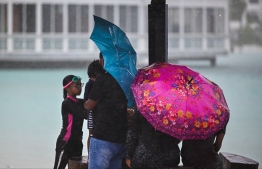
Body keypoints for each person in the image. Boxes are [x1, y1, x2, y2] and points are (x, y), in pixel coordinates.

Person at [84, 59, 128, 169]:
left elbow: (89, 105)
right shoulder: (124, 78)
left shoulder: (103, 79)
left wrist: (84, 104)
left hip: (103, 137)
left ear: (104, 60)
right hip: (121, 138)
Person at [53, 75, 88, 169]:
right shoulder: (67, 103)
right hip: (65, 142)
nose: (80, 88)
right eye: (77, 86)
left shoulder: (80, 102)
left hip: (78, 142)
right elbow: (84, 115)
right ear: (68, 88)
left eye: (81, 85)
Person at [83, 60, 101, 157]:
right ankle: (90, 155)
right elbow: (87, 100)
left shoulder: (91, 84)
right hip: (91, 113)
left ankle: (92, 155)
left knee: (93, 134)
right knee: (91, 134)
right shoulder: (90, 84)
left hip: (95, 112)